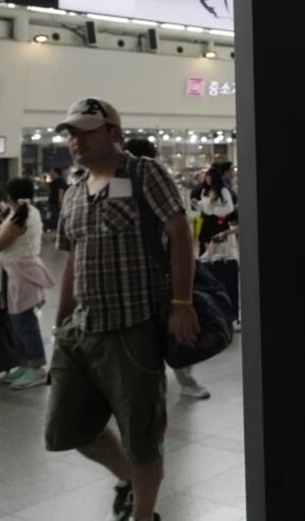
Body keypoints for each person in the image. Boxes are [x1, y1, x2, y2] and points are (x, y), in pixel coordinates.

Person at [46, 98, 198, 521]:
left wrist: (181, 304)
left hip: (131, 329)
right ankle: (132, 477)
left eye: (86, 131)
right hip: (82, 331)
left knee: (143, 437)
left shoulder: (143, 173)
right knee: (72, 429)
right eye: (71, 133)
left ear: (114, 133)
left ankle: (143, 514)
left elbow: (179, 232)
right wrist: (60, 326)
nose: (76, 140)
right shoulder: (75, 191)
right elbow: (73, 260)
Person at [125, 137, 211, 401]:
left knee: (174, 330)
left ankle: (184, 379)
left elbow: (178, 231)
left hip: (159, 269)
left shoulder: (154, 181)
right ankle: (183, 380)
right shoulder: (121, 183)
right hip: (150, 271)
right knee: (164, 334)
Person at [0, 178, 54, 390]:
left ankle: (37, 367)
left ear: (9, 194)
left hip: (22, 272)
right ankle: (25, 362)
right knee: (17, 320)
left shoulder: (22, 215)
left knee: (24, 320)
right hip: (14, 271)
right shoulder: (21, 212)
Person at [197, 165, 236, 257]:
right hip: (207, 221)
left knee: (217, 249)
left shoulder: (223, 191)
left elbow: (230, 208)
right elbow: (204, 206)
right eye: (207, 176)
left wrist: (215, 210)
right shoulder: (204, 191)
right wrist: (198, 205)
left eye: (210, 177)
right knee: (206, 246)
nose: (207, 179)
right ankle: (207, 265)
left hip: (219, 222)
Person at [46, 167, 68, 232]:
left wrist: (60, 202)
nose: (50, 174)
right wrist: (45, 179)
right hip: (52, 202)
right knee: (53, 216)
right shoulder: (53, 182)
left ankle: (56, 229)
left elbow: (60, 191)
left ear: (56, 173)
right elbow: (46, 187)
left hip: (57, 203)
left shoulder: (60, 181)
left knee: (56, 216)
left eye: (51, 172)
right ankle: (54, 228)